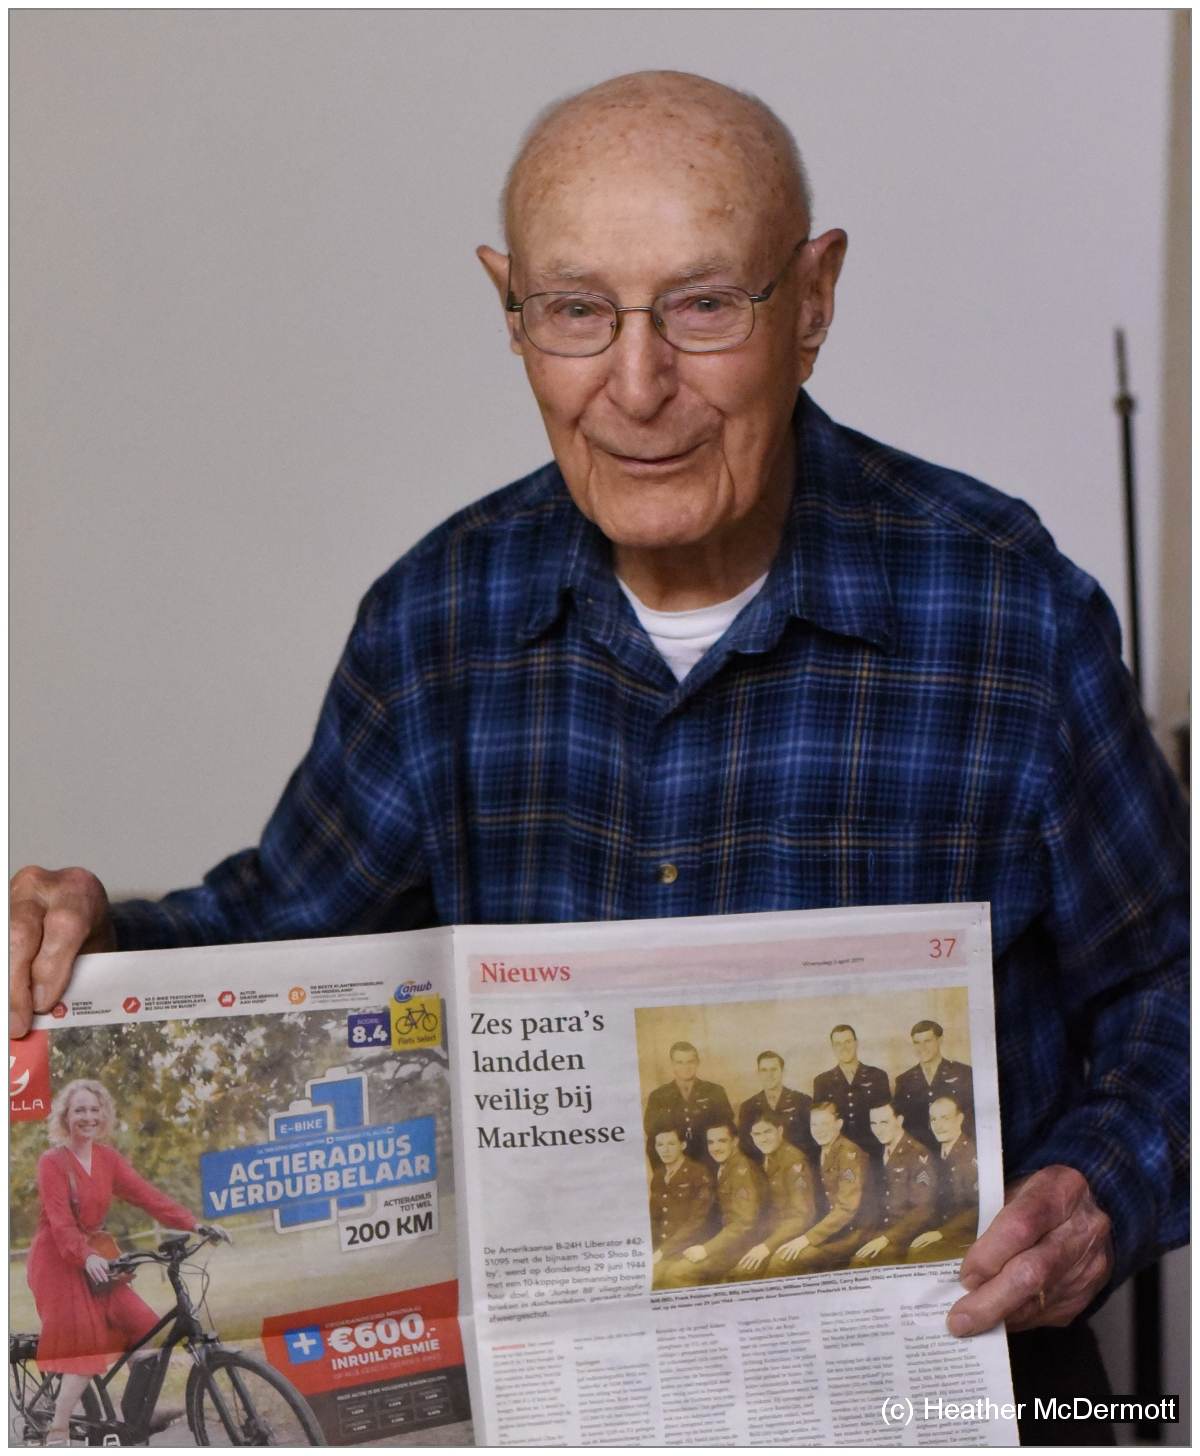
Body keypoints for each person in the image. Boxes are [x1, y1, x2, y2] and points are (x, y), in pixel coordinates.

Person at [9, 68, 1188, 1411]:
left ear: (812, 301)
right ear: (509, 309)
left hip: (949, 1400)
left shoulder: (1004, 609)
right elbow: (282, 945)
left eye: (702, 305)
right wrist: (89, 951)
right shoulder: (437, 620)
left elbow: (1173, 986)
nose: (636, 387)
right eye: (577, 311)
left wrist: (1104, 1186)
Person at [27, 1079, 201, 1443]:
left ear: (103, 1114)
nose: (88, 1117)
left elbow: (147, 1196)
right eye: (79, 1110)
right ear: (66, 1116)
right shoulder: (52, 1162)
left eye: (94, 1109)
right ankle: (57, 1428)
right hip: (59, 1262)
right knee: (87, 1343)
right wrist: (84, 1254)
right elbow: (60, 1224)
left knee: (147, 1331)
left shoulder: (107, 1159)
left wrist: (195, 1223)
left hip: (97, 1258)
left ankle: (138, 1416)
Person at [656, 1121, 765, 1288]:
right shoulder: (724, 1167)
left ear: (735, 1141)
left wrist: (706, 1249)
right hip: (725, 1242)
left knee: (677, 1273)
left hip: (743, 1246)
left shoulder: (742, 1170)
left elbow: (744, 1223)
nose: (715, 1147)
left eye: (722, 1141)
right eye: (711, 1142)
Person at [772, 1102, 869, 1273]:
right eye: (814, 1124)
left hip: (850, 1234)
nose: (819, 1130)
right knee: (779, 1250)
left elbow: (846, 1208)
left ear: (839, 1124)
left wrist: (807, 1238)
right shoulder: (820, 1151)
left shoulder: (849, 1153)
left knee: (782, 1260)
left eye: (824, 1123)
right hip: (830, 1231)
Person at [733, 1111, 818, 1279]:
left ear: (780, 1131)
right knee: (736, 1271)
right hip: (770, 1234)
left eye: (767, 1132)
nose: (762, 1139)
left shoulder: (794, 1161)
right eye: (757, 1134)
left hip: (792, 1237)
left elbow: (802, 1217)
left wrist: (766, 1246)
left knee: (767, 1270)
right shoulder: (763, 1158)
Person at [851, 1101, 936, 1265]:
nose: (879, 1129)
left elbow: (923, 1209)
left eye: (884, 1122)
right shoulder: (877, 1151)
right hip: (880, 1230)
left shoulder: (919, 1154)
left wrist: (886, 1238)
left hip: (906, 1235)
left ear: (899, 1120)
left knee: (859, 1263)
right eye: (873, 1123)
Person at [908, 1094, 980, 1263]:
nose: (938, 1126)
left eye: (945, 1118)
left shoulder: (971, 1155)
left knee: (918, 1252)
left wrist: (942, 1233)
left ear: (959, 1119)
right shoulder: (934, 1153)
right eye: (933, 1119)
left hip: (964, 1233)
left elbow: (978, 1208)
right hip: (939, 1226)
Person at [642, 1042, 734, 1164]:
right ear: (672, 1064)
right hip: (675, 1164)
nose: (685, 1067)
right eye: (679, 1062)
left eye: (690, 1061)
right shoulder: (658, 1096)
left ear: (697, 1062)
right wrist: (663, 1172)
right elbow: (653, 1138)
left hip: (710, 1162)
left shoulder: (715, 1091)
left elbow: (728, 1132)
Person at [648, 1123, 714, 1286]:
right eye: (660, 1145)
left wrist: (663, 1251)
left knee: (672, 1277)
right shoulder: (659, 1175)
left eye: (671, 1144)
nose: (665, 1149)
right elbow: (655, 1219)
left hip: (688, 1248)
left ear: (682, 1145)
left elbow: (698, 1220)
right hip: (663, 1248)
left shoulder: (698, 1173)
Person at [892, 1020, 974, 1151]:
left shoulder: (963, 1073)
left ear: (940, 1040)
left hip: (957, 1150)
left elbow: (972, 1117)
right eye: (917, 1043)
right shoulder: (904, 1080)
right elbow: (900, 1124)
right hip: (919, 1152)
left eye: (927, 1041)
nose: (922, 1048)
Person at [811, 1026, 890, 1152]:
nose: (844, 1047)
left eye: (848, 1042)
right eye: (838, 1044)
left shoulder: (877, 1076)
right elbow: (820, 1124)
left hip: (873, 1148)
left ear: (856, 1043)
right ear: (832, 1048)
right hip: (838, 1151)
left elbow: (887, 1118)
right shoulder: (822, 1081)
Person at [736, 1050, 816, 1166]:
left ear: (782, 1071)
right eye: (764, 1070)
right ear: (758, 1073)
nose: (769, 1075)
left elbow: (812, 1140)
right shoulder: (748, 1107)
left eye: (774, 1069)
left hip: (797, 1167)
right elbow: (745, 1146)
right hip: (763, 1169)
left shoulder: (802, 1101)